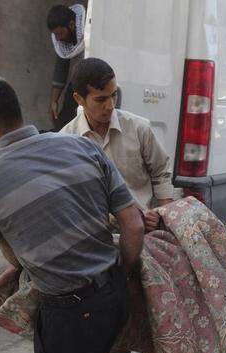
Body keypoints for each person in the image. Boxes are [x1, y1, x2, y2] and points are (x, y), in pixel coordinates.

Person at [0, 75, 144, 353]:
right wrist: (118, 277)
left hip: (68, 313)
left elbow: (14, 256)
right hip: (115, 297)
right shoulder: (82, 146)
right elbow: (133, 225)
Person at [62, 57, 174, 232]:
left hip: (144, 232)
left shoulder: (139, 128)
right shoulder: (67, 141)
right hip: (95, 235)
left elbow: (161, 173)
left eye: (114, 95)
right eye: (101, 100)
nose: (110, 105)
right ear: (79, 99)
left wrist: (162, 215)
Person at [47, 4, 85, 131]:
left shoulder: (89, 31)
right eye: (55, 35)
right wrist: (54, 101)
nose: (58, 38)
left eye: (60, 33)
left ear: (72, 25)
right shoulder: (63, 42)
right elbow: (61, 68)